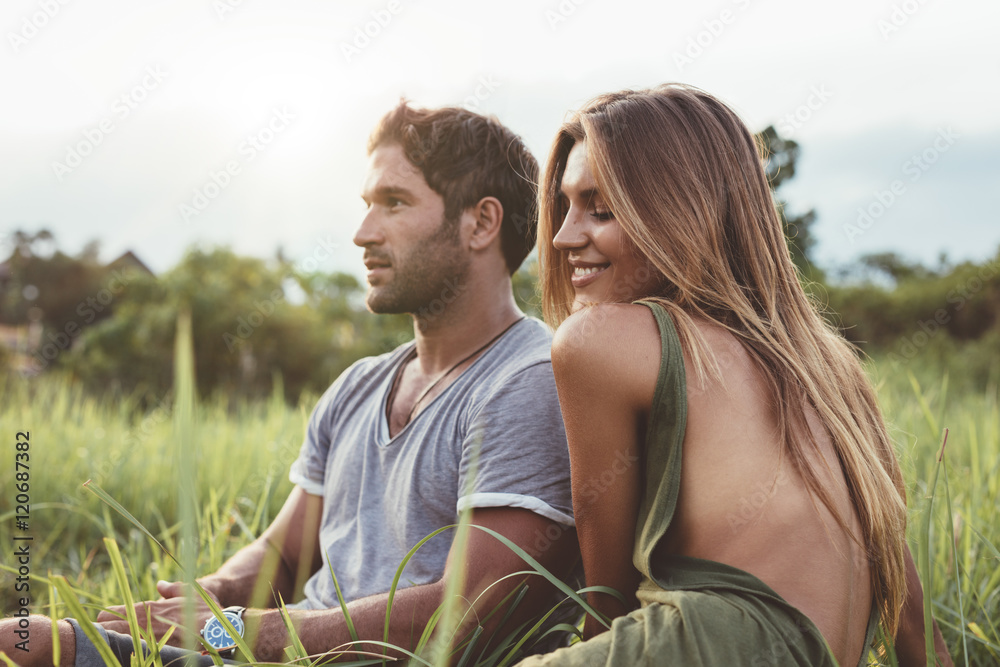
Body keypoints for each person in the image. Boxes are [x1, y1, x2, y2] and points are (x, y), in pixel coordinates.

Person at [1, 102, 578, 665]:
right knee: (29, 638)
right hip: (264, 651)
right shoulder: (359, 386)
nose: (362, 233)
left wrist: (234, 634)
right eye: (366, 204)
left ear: (481, 222)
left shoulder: (525, 382)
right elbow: (283, 553)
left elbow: (474, 612)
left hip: (289, 652)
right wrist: (214, 596)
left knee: (37, 644)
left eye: (394, 203)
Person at [517, 84, 952, 666]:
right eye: (565, 207)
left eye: (602, 210)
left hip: (707, 640)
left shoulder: (600, 341)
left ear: (683, 213)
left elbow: (608, 602)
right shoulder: (828, 364)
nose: (564, 237)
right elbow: (912, 612)